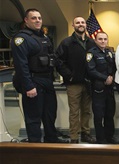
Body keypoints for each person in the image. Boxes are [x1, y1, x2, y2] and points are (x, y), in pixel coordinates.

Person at [11, 8, 67, 143]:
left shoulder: (44, 37)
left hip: (47, 80)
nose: (37, 21)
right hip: (33, 80)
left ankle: (51, 140)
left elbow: (53, 58)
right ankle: (34, 145)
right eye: (34, 18)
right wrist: (28, 86)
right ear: (26, 20)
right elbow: (21, 65)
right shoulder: (21, 39)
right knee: (33, 117)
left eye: (39, 18)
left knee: (49, 114)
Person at [56, 16, 96, 144]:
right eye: (77, 22)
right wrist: (69, 75)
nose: (80, 24)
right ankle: (74, 136)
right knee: (74, 111)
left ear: (85, 25)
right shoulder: (66, 42)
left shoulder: (91, 42)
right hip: (73, 83)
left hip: (88, 82)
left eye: (82, 22)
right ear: (73, 25)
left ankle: (86, 133)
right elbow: (59, 61)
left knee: (86, 110)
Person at [86, 32, 117, 144]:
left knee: (110, 113)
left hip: (109, 89)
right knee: (99, 115)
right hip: (98, 88)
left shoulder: (109, 52)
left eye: (105, 39)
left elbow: (113, 67)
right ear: (96, 40)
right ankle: (101, 138)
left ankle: (110, 136)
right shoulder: (91, 53)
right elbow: (91, 70)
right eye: (100, 39)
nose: (103, 41)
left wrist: (112, 77)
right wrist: (105, 78)